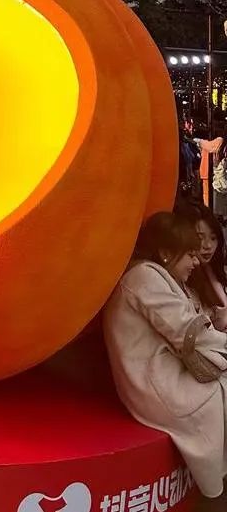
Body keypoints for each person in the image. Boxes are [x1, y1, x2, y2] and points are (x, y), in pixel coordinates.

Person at [104, 211, 227, 509]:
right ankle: (215, 493)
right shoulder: (144, 277)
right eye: (190, 254)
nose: (196, 261)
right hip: (159, 383)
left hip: (163, 374)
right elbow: (188, 332)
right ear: (166, 253)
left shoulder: (156, 276)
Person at [179, 203, 227, 331]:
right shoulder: (181, 278)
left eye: (213, 238)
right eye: (200, 238)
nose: (208, 245)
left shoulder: (214, 271)